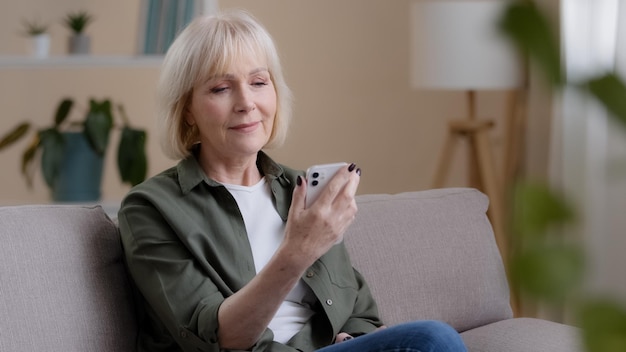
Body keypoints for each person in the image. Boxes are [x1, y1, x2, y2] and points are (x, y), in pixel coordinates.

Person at [118, 9, 467, 352]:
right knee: (433, 339)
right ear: (188, 109)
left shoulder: (301, 190)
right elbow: (219, 339)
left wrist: (356, 336)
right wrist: (299, 250)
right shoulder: (151, 209)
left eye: (258, 82)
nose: (247, 103)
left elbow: (360, 314)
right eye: (221, 88)